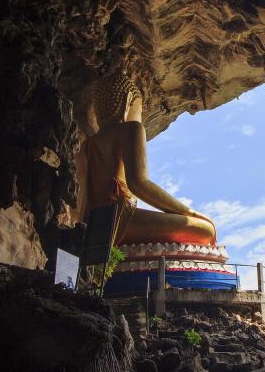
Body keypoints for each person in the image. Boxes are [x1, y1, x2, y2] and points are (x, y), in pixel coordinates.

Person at [74, 70, 216, 246]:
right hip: (120, 218)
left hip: (93, 225)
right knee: (206, 230)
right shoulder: (130, 129)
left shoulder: (86, 146)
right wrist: (190, 213)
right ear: (127, 102)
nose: (139, 116)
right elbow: (138, 183)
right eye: (139, 110)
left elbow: (82, 199)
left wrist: (81, 235)